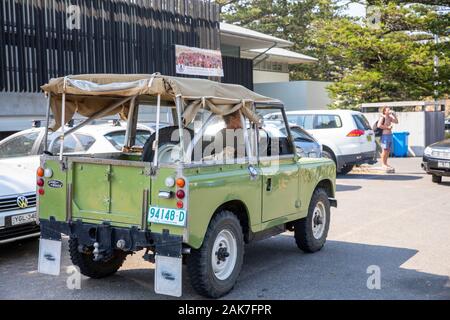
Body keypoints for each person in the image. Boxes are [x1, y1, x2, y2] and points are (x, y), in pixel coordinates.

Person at [377, 106, 399, 172]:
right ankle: (383, 164)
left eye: (390, 110)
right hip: (384, 135)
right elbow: (379, 125)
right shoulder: (382, 117)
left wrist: (394, 115)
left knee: (388, 150)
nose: (389, 111)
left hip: (389, 135)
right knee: (384, 149)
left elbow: (396, 122)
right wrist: (387, 127)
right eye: (388, 110)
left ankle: (386, 163)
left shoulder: (390, 117)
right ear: (384, 111)